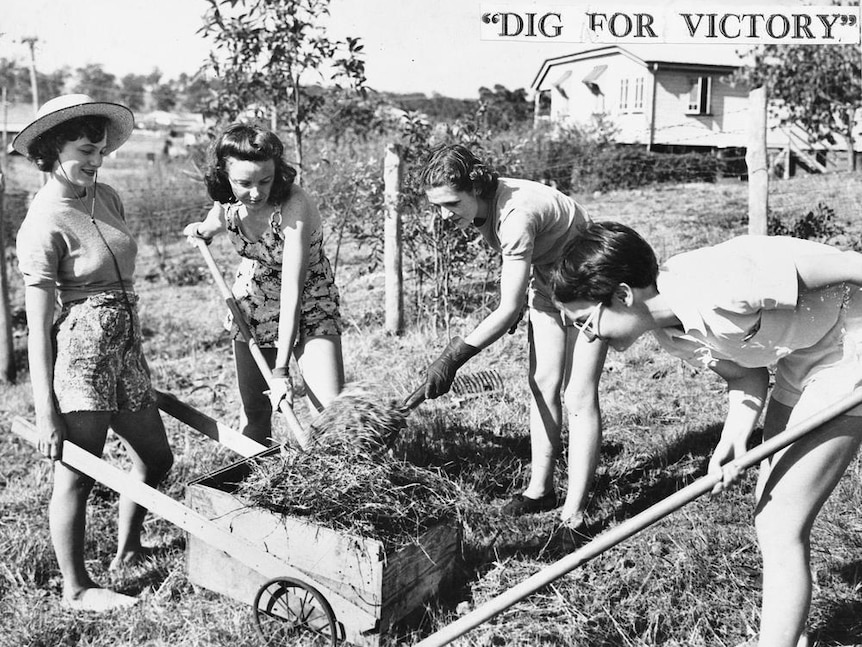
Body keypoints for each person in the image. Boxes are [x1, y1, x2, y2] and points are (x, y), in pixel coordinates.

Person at [549, 221, 862, 647]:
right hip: (801, 357)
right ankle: (790, 630)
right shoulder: (669, 333)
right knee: (769, 502)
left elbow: (849, 264)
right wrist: (733, 437)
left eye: (586, 321)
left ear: (623, 295)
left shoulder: (723, 282)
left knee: (779, 521)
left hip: (851, 348)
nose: (587, 336)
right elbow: (747, 373)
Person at [13, 94, 174, 611]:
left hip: (124, 344)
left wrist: (131, 355)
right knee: (78, 474)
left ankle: (127, 552)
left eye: (101, 150)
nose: (96, 162)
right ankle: (76, 587)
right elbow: (38, 330)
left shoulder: (105, 196)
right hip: (82, 353)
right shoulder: (41, 225)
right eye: (86, 150)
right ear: (50, 149)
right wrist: (46, 413)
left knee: (157, 458)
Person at [408, 144, 607, 524]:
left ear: (477, 188)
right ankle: (540, 490)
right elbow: (518, 286)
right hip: (549, 279)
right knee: (542, 383)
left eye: (451, 204)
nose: (444, 216)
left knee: (578, 394)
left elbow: (507, 308)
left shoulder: (515, 215)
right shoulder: (482, 210)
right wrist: (514, 304)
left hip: (590, 282)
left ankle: (575, 513)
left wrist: (454, 356)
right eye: (437, 206)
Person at [184, 124, 344, 446]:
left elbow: (292, 292)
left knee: (329, 415)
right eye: (244, 183)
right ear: (225, 176)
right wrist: (200, 231)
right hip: (255, 300)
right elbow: (217, 221)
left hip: (308, 298)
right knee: (255, 413)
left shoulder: (293, 205)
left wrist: (281, 371)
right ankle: (257, 483)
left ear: (277, 173)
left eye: (265, 180)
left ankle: (337, 479)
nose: (256, 192)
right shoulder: (228, 201)